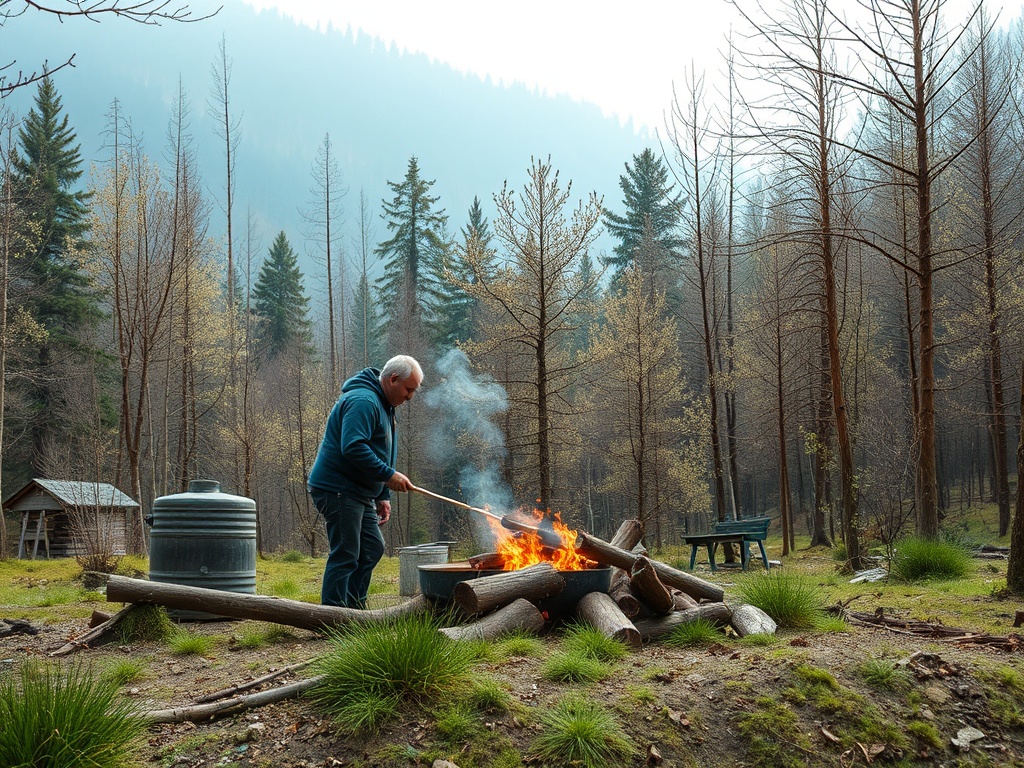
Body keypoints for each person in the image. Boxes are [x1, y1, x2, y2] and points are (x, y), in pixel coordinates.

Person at [307, 355, 423, 608]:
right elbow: (353, 447)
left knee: (371, 548)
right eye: (409, 389)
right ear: (393, 379)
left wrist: (383, 494)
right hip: (338, 488)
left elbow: (380, 452)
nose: (411, 396)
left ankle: (355, 610)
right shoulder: (363, 401)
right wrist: (388, 476)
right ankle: (334, 618)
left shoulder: (384, 404)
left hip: (360, 491)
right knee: (347, 554)